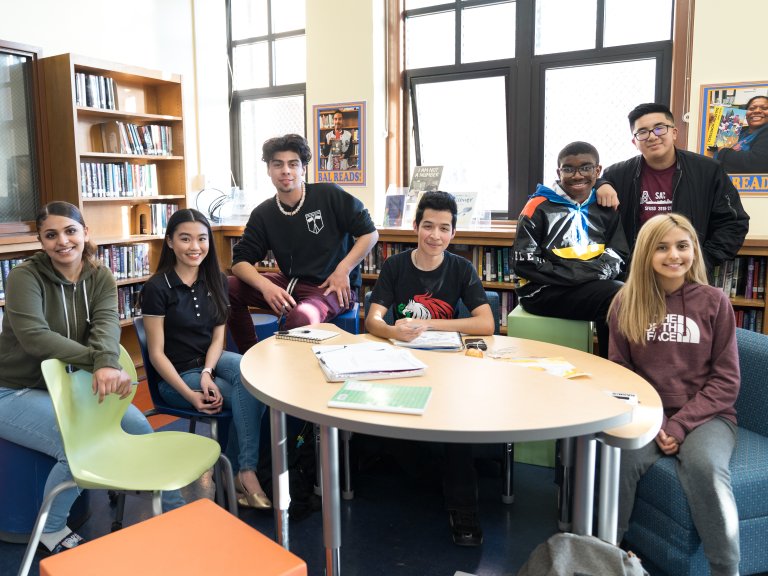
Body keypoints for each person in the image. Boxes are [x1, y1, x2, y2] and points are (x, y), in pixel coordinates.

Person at [0, 201, 184, 554]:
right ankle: (50, 529)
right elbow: (35, 337)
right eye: (50, 235)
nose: (62, 241)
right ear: (41, 240)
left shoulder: (99, 275)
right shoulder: (25, 276)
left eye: (70, 231)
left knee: (139, 428)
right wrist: (101, 363)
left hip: (73, 385)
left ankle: (173, 513)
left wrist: (103, 361)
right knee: (80, 447)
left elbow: (106, 324)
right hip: (15, 390)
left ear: (86, 233)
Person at [608, 213, 740, 576]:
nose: (674, 255)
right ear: (646, 254)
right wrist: (661, 421)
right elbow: (624, 375)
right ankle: (604, 557)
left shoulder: (715, 302)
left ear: (694, 251)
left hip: (708, 417)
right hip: (648, 414)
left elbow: (727, 381)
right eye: (662, 247)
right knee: (616, 461)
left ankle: (726, 569)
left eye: (683, 246)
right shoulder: (625, 303)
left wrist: (679, 426)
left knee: (705, 467)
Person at [365, 191, 494, 547]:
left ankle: (464, 508)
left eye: (444, 228)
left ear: (453, 233)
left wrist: (433, 326)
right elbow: (373, 317)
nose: (435, 235)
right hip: (403, 362)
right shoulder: (394, 266)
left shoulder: (460, 268)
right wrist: (393, 330)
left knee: (455, 427)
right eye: (428, 226)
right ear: (415, 227)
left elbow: (486, 323)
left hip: (449, 364)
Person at [140, 208, 270, 509]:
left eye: (201, 238)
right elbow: (157, 354)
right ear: (170, 242)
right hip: (176, 377)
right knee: (246, 393)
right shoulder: (157, 287)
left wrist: (208, 372)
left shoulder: (217, 280)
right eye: (185, 239)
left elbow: (217, 339)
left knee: (252, 376)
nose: (194, 246)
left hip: (208, 364)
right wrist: (191, 394)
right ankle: (242, 474)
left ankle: (242, 471)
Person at [228, 133, 378, 353]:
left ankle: (287, 378)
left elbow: (370, 234)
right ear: (269, 170)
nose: (285, 170)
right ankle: (249, 355)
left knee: (302, 316)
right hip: (288, 283)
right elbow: (239, 262)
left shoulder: (328, 194)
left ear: (303, 169)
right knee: (227, 288)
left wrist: (343, 270)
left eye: (293, 164)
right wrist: (265, 286)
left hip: (330, 285)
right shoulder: (263, 213)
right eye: (278, 164)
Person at [598, 102, 749, 275]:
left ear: (674, 132)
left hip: (688, 274)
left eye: (659, 128)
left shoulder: (708, 170)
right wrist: (601, 184)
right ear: (634, 141)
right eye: (642, 132)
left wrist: (701, 262)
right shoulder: (616, 175)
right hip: (636, 274)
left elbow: (733, 222)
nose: (652, 136)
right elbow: (592, 212)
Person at [512, 141, 629, 357]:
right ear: (559, 172)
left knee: (628, 294)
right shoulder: (537, 206)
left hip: (589, 286)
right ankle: (615, 367)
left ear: (598, 170)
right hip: (542, 291)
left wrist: (581, 276)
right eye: (569, 168)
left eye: (585, 167)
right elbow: (524, 262)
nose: (577, 175)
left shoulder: (605, 206)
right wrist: (581, 276)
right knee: (616, 295)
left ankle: (621, 366)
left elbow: (618, 253)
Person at [714, 95, 768, 173]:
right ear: (746, 114)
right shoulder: (735, 129)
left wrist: (722, 151)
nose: (757, 111)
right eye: (751, 108)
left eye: (764, 108)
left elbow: (756, 163)